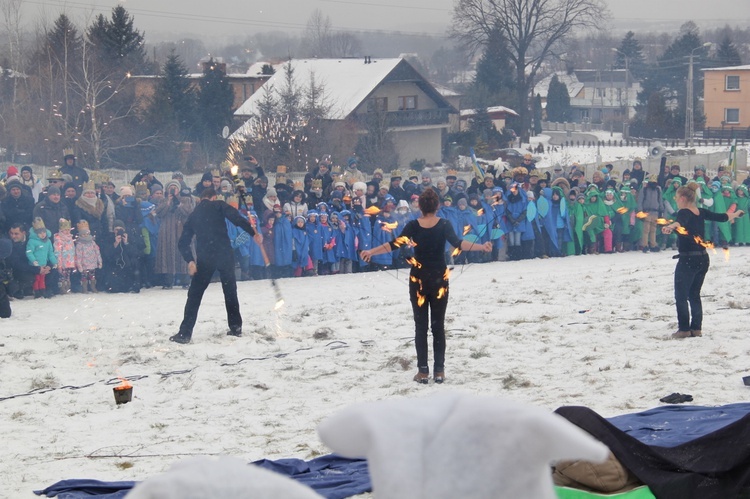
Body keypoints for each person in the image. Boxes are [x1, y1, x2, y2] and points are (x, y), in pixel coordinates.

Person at [360, 189, 492, 384]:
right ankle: (439, 371)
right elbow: (458, 243)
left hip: (419, 279)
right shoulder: (444, 224)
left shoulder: (413, 225)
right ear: (437, 206)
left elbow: (394, 244)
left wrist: (371, 251)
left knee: (420, 326)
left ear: (420, 207)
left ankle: (423, 371)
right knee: (438, 325)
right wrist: (482, 247)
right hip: (439, 277)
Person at [170, 187, 262, 344]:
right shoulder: (219, 205)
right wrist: (254, 233)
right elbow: (237, 219)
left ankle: (185, 333)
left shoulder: (193, 215)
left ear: (201, 199)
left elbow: (183, 242)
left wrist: (190, 260)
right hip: (225, 253)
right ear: (213, 197)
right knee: (230, 290)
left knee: (195, 295)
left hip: (205, 257)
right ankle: (235, 327)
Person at [661, 183, 744, 339]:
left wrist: (671, 226)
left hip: (688, 259)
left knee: (681, 295)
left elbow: (681, 221)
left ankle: (684, 329)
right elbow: (723, 217)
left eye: (677, 197)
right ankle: (696, 328)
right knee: (694, 294)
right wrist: (737, 213)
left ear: (683, 198)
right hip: (703, 258)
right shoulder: (701, 212)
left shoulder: (684, 211)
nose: (676, 200)